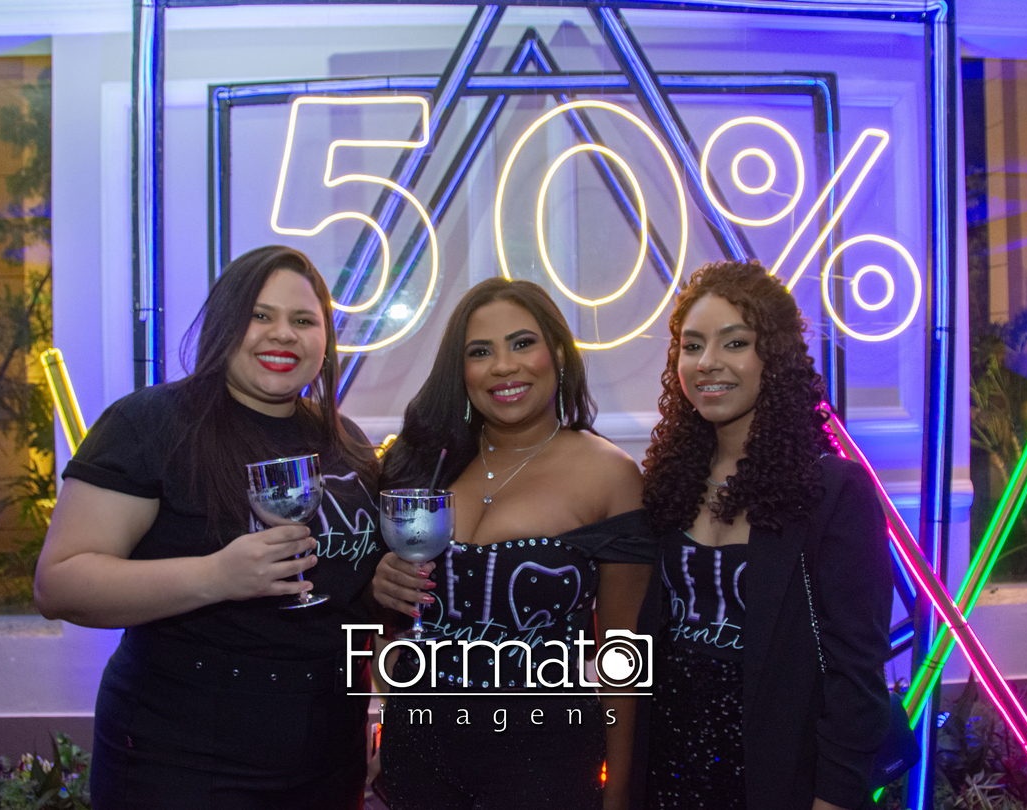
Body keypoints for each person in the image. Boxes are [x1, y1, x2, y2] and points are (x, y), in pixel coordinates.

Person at [34, 246, 384, 810]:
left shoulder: (346, 442)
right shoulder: (150, 424)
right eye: (260, 315)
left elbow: (356, 598)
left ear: (325, 340)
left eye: (303, 320)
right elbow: (60, 584)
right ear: (223, 323)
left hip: (328, 755)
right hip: (182, 758)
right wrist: (216, 576)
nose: (283, 334)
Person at [369, 278, 654, 810]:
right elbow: (387, 626)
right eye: (480, 352)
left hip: (543, 766)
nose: (503, 366)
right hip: (418, 757)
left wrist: (618, 793)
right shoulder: (429, 463)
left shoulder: (610, 476)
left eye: (522, 343)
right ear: (461, 371)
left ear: (558, 354)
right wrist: (380, 586)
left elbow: (625, 655)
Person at [637, 260, 893, 810]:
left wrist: (833, 800)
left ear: (773, 357)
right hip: (666, 772)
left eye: (734, 343)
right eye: (692, 345)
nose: (707, 362)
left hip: (778, 779)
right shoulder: (667, 483)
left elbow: (856, 675)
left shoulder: (832, 492)